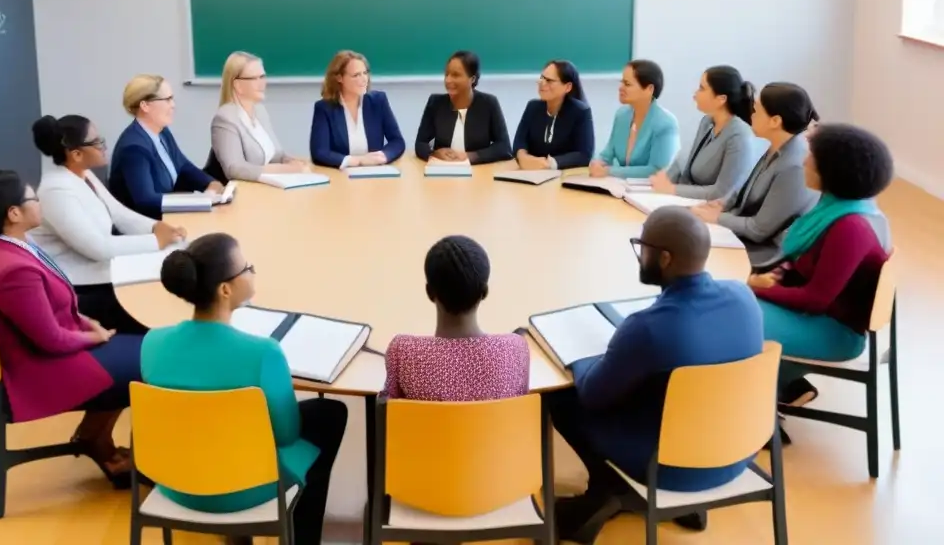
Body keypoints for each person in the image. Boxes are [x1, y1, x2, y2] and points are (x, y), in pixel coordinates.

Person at [545, 207, 763, 543]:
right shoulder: (744, 297)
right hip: (736, 454)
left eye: (641, 246)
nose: (639, 254)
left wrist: (575, 357)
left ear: (663, 258)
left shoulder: (647, 329)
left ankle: (607, 491)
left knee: (558, 392)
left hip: (668, 468)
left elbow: (591, 395)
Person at [141, 233, 346, 545]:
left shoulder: (152, 342)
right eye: (247, 268)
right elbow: (287, 435)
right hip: (243, 490)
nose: (252, 272)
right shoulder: (264, 353)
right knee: (330, 414)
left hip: (175, 482)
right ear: (225, 289)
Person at [0, 170, 142, 486]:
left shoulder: (7, 246)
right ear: (13, 213)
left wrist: (85, 322)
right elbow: (51, 340)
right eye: (33, 198)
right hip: (38, 372)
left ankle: (94, 437)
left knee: (140, 347)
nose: (40, 202)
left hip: (41, 355)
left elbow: (52, 310)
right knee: (152, 358)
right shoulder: (14, 270)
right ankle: (148, 455)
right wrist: (93, 335)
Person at [749, 124, 893, 408]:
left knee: (729, 314)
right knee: (730, 306)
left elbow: (815, 299)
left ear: (832, 170)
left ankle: (748, 414)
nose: (804, 161)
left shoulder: (851, 226)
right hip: (822, 318)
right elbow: (804, 265)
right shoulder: (836, 208)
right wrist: (770, 278)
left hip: (836, 333)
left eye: (811, 157)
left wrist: (755, 289)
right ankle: (767, 396)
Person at [28, 114, 186, 335]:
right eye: (96, 142)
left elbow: (119, 214)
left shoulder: (83, 175)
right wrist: (156, 241)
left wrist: (155, 227)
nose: (103, 146)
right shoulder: (55, 191)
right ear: (76, 154)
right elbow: (99, 249)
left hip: (102, 272)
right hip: (78, 289)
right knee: (160, 302)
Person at [381, 235, 529, 400]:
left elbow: (388, 409)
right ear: (484, 292)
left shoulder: (402, 352)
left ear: (429, 292)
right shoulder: (516, 349)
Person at [692, 83, 820, 269]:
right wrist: (720, 205)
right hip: (744, 240)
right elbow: (744, 195)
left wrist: (716, 218)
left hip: (767, 255)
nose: (751, 115)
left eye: (756, 111)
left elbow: (759, 230)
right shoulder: (776, 148)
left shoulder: (794, 165)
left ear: (775, 121)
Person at [108, 74, 223, 218]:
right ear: (145, 106)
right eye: (167, 99)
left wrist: (210, 185)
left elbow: (183, 168)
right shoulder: (133, 148)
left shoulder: (162, 132)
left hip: (167, 218)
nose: (173, 105)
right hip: (145, 226)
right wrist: (198, 201)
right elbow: (146, 201)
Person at [650, 65, 755, 200]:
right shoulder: (707, 122)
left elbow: (722, 193)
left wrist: (671, 189)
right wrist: (665, 182)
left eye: (702, 88)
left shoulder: (739, 135)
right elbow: (687, 171)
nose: (695, 95)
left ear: (721, 99)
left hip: (713, 212)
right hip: (690, 202)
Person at [210, 51, 311, 181]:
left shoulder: (260, 110)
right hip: (242, 193)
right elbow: (234, 169)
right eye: (254, 78)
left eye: (263, 76)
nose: (262, 83)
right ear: (237, 85)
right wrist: (285, 169)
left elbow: (276, 155)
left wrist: (292, 162)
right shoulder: (225, 118)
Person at [309, 51, 405, 169]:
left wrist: (384, 156)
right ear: (339, 78)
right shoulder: (324, 108)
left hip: (375, 172)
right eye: (356, 75)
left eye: (365, 73)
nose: (364, 79)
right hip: (341, 176)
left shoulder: (378, 101)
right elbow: (319, 152)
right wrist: (357, 160)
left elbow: (397, 141)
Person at [413, 51, 513, 164]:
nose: (448, 80)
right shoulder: (435, 103)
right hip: (442, 170)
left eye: (455, 75)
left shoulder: (489, 103)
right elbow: (420, 143)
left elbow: (504, 148)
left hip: (479, 172)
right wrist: (434, 154)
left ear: (472, 79)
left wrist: (470, 156)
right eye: (446, 74)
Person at [589, 60, 679, 179]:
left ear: (649, 89)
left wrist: (609, 172)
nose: (620, 88)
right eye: (621, 82)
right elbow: (607, 154)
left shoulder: (666, 123)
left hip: (652, 191)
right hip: (621, 188)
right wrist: (597, 163)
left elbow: (656, 170)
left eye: (627, 84)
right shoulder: (622, 115)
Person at [512, 60, 594, 170]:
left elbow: (584, 154)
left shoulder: (581, 112)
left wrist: (551, 163)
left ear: (568, 87)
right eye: (542, 78)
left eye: (549, 80)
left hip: (565, 176)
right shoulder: (533, 107)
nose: (542, 83)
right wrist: (523, 158)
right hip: (531, 174)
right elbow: (519, 141)